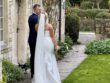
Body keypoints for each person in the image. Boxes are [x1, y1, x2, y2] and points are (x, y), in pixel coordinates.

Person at [28, 4, 41, 78]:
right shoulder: (36, 18)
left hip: (30, 39)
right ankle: (34, 72)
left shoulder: (30, 17)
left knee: (32, 56)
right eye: (38, 9)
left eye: (40, 9)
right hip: (35, 40)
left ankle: (32, 72)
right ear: (34, 9)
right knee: (35, 56)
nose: (39, 11)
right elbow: (37, 30)